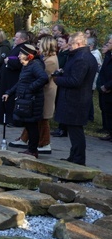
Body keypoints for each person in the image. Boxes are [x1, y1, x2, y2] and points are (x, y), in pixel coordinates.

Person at [53, 32, 98, 165]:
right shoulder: (80, 56)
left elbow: (75, 81)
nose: (69, 46)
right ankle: (74, 156)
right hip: (75, 98)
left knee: (76, 131)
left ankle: (78, 159)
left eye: (71, 44)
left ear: (79, 43)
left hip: (76, 100)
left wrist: (58, 80)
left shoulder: (82, 58)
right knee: (73, 130)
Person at [10, 37, 58, 154]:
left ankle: (43, 143)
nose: (38, 46)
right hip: (35, 92)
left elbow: (43, 78)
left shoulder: (48, 61)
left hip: (43, 92)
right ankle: (26, 140)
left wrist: (30, 88)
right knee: (32, 120)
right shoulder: (40, 60)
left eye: (40, 44)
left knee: (40, 119)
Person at [2, 44, 49, 158]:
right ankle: (31, 149)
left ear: (28, 56)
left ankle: (33, 150)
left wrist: (30, 88)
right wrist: (9, 92)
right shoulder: (26, 66)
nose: (18, 56)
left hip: (32, 101)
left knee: (32, 125)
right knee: (28, 125)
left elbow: (43, 78)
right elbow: (21, 82)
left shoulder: (35, 65)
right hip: (25, 100)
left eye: (21, 54)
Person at [0, 30, 28, 125]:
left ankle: (10, 119)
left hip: (13, 78)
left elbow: (19, 62)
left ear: (23, 39)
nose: (14, 38)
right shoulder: (17, 47)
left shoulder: (23, 48)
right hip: (7, 77)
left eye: (17, 37)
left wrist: (8, 61)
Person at [97, 37, 112, 140]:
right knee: (107, 110)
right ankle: (110, 132)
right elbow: (103, 72)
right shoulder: (108, 55)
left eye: (110, 43)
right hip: (104, 86)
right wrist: (102, 85)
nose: (108, 44)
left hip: (109, 87)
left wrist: (107, 86)